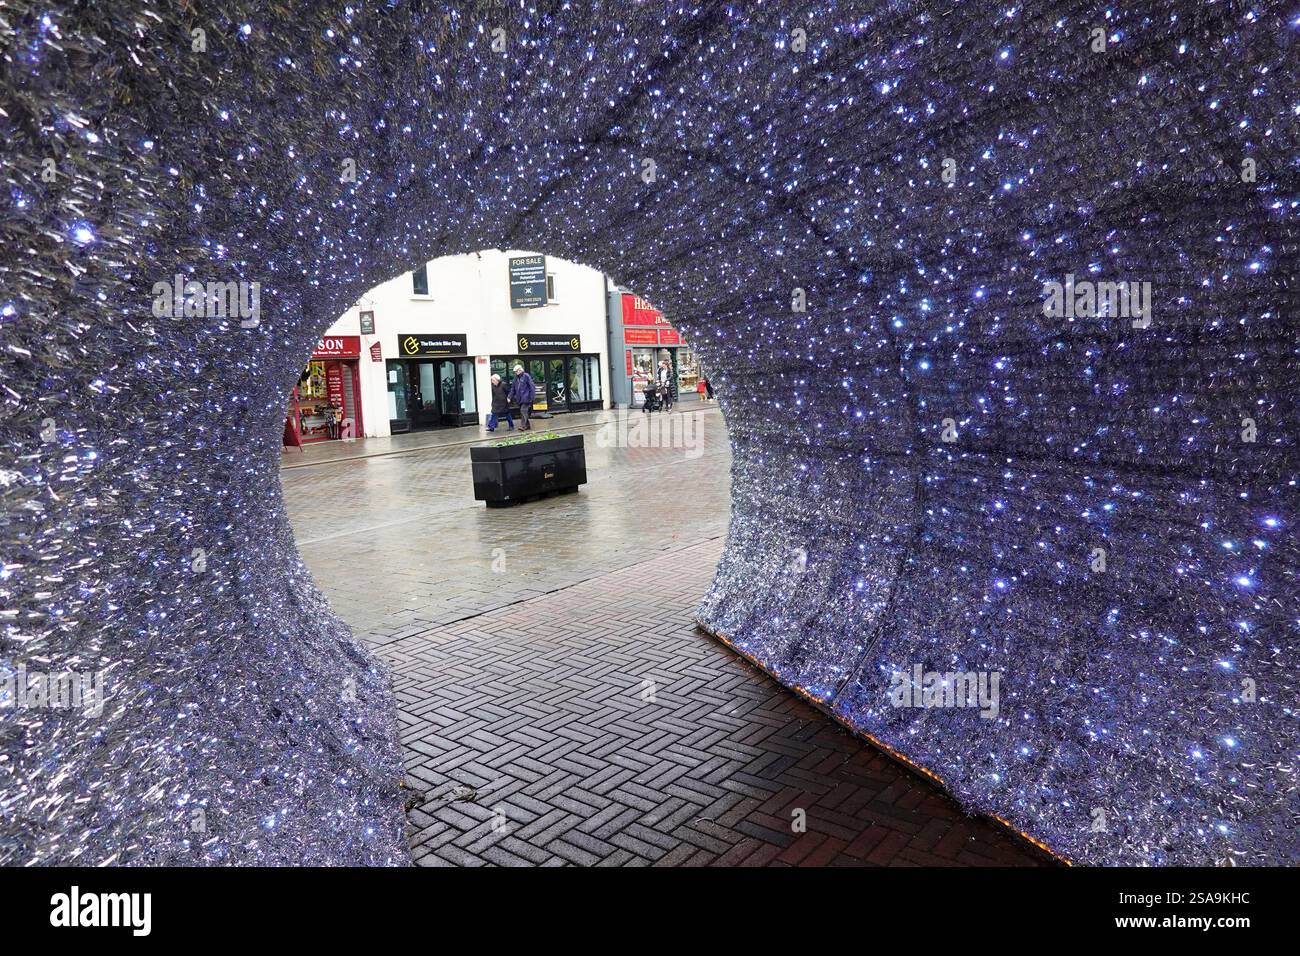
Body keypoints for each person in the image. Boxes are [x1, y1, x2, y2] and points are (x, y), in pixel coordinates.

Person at [509, 363, 535, 430]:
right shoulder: (516, 378)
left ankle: (523, 426)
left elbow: (532, 386)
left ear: (520, 370)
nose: (515, 373)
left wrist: (531, 397)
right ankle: (527, 425)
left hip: (526, 398)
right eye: (515, 372)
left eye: (516, 371)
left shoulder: (526, 376)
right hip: (519, 398)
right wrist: (509, 397)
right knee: (523, 412)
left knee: (523, 410)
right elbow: (513, 388)